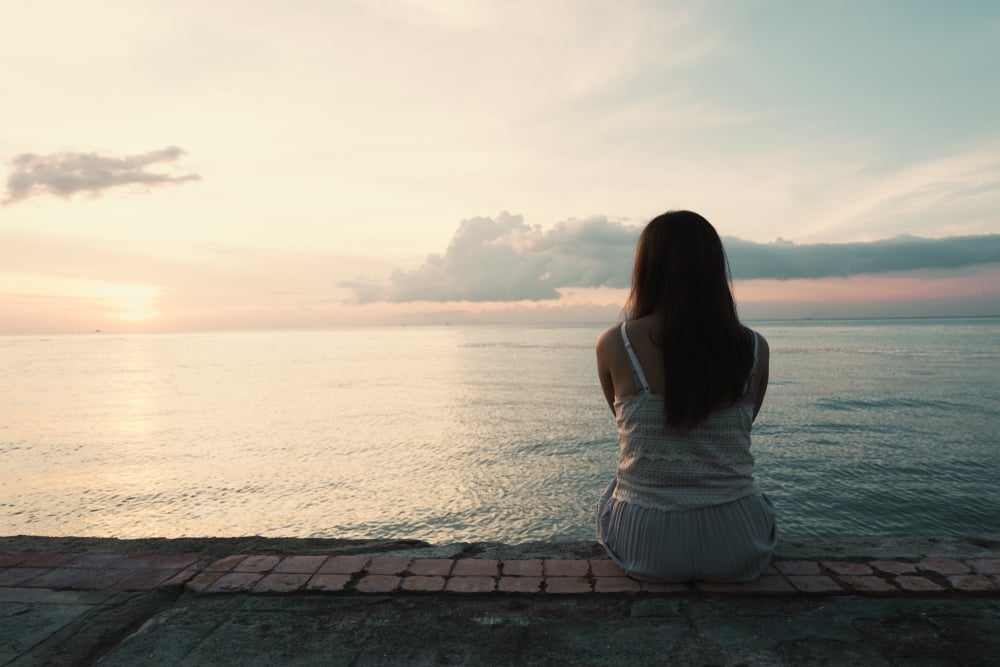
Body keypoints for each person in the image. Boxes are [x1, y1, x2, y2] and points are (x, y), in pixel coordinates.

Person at [595, 210, 776, 582]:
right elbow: (744, 424)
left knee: (615, 491)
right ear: (713, 269)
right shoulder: (755, 348)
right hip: (738, 543)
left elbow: (624, 424)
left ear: (646, 269)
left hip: (647, 545)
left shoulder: (616, 343)